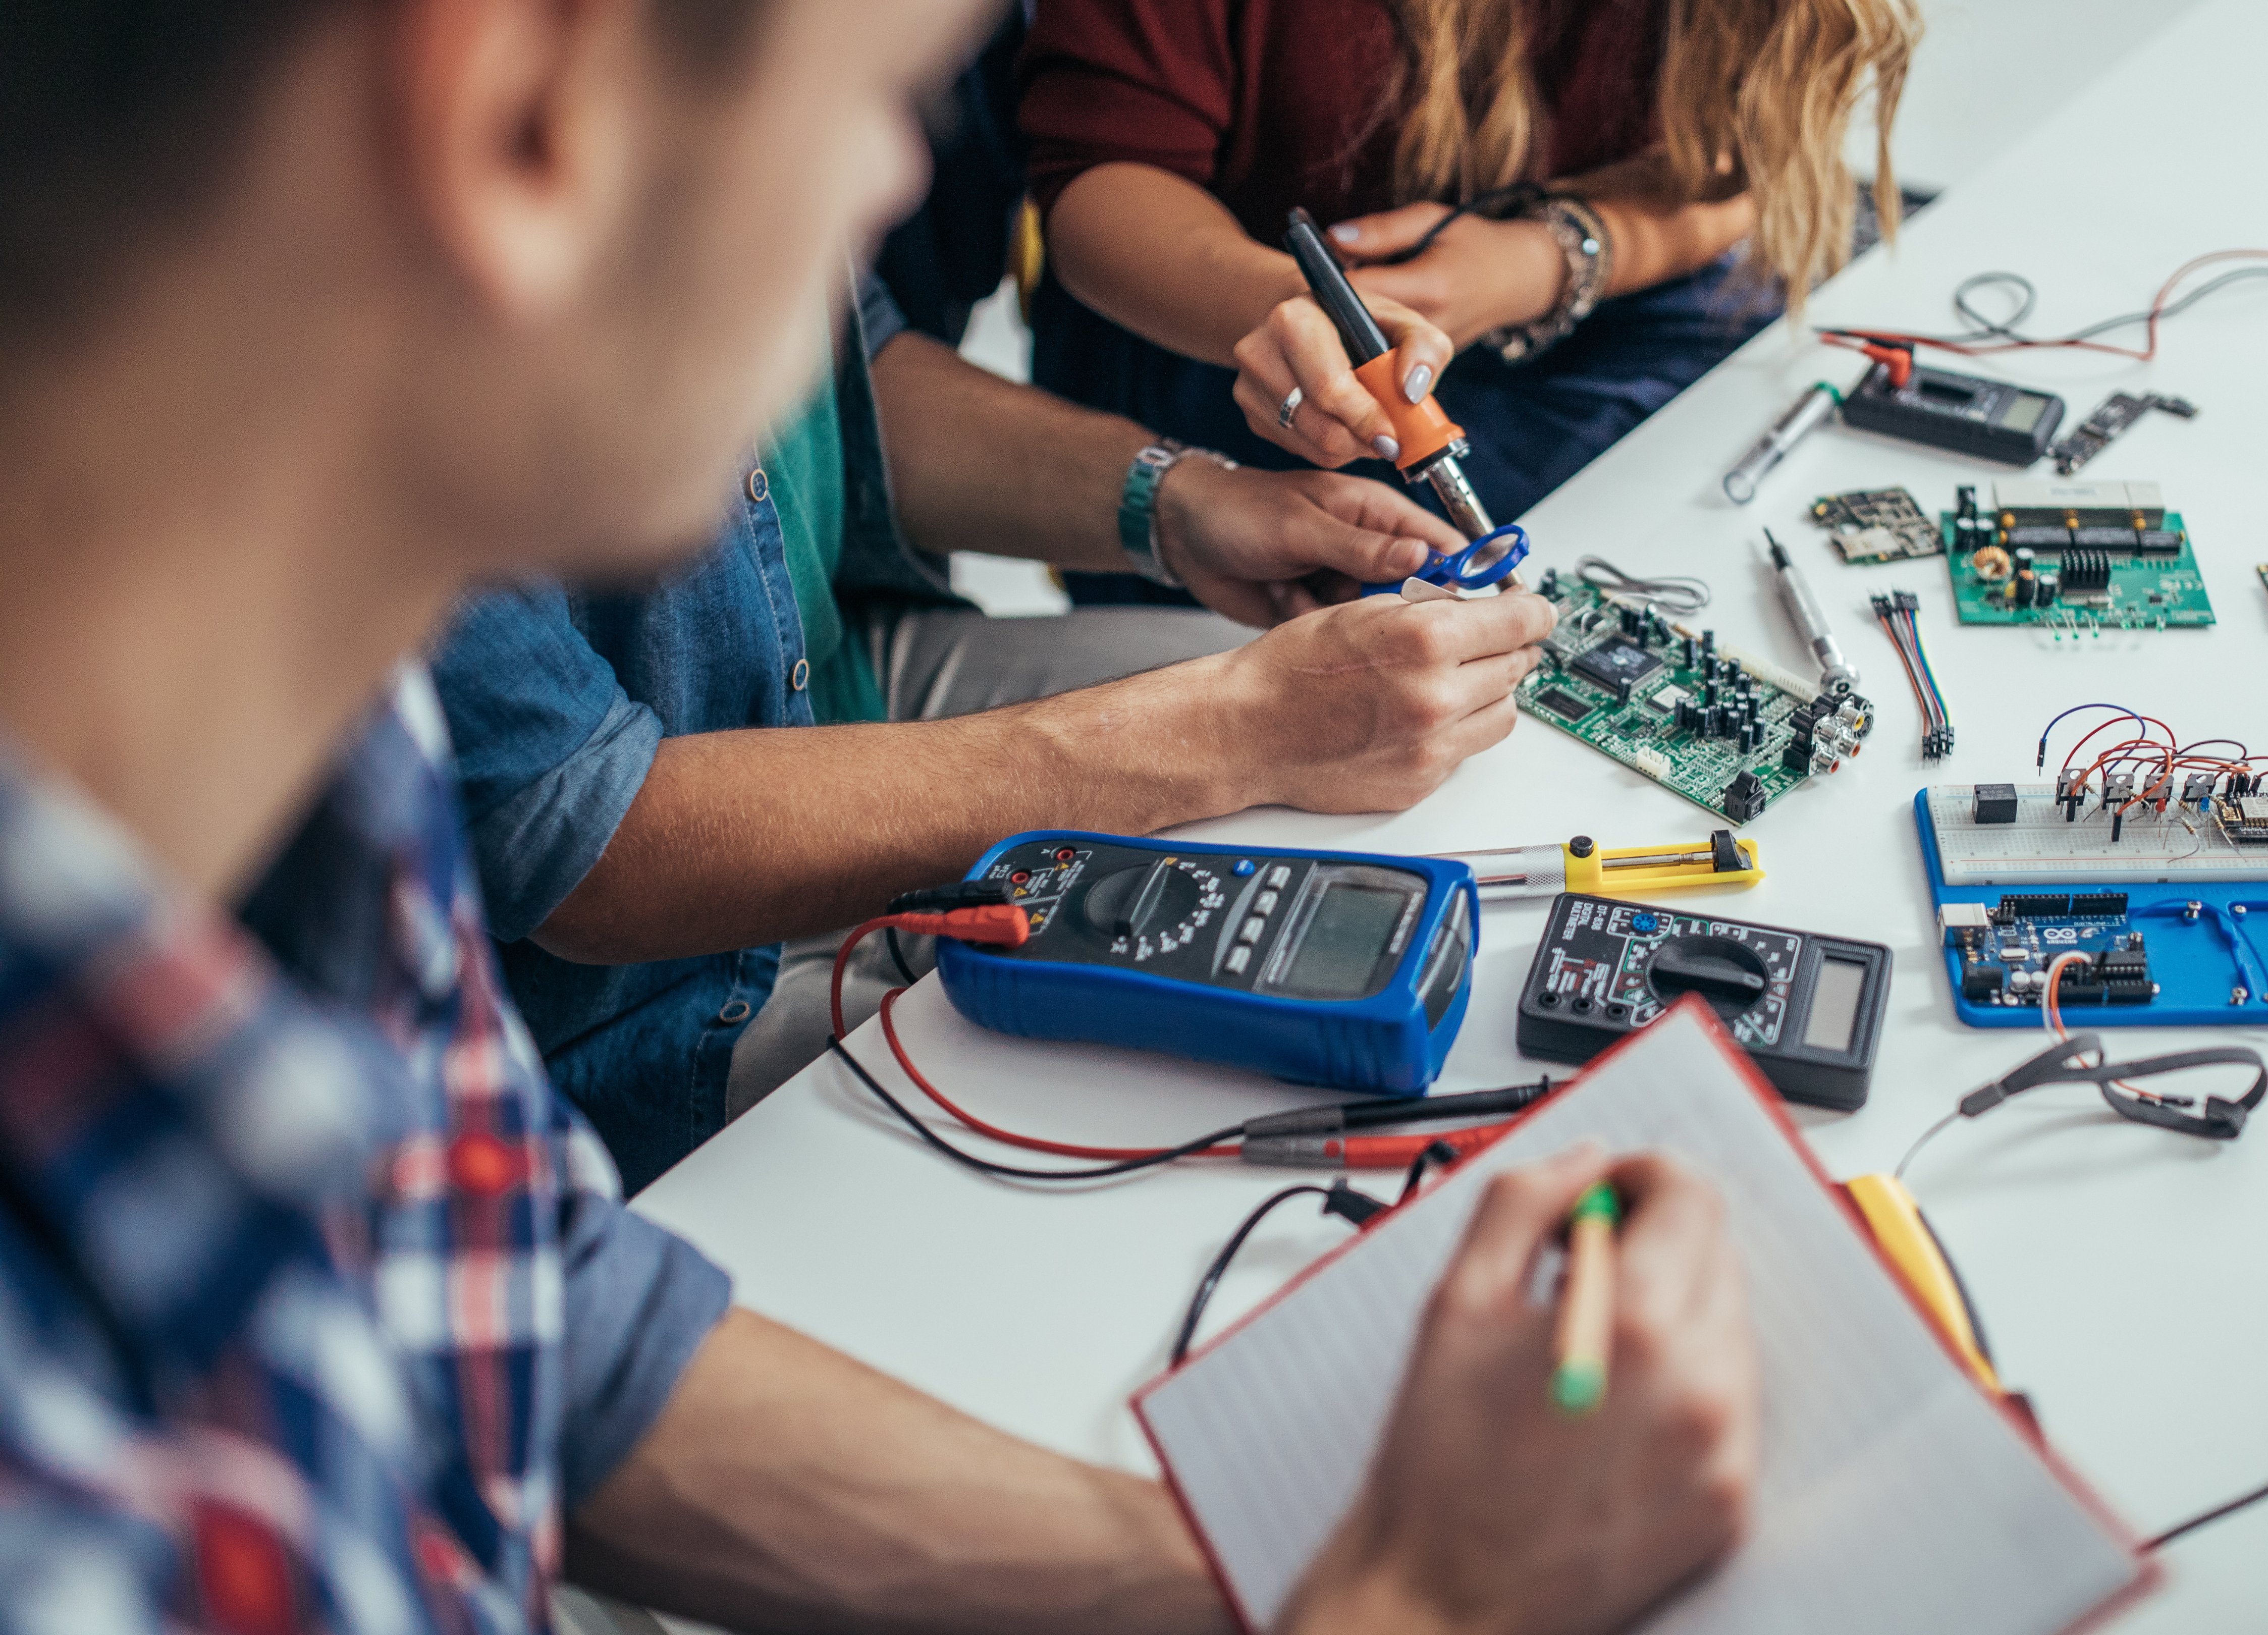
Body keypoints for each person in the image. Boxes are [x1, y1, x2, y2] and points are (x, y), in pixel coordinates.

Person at [0, 5, 1758, 1634]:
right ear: (527, 126)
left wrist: (1265, 1574)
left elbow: (538, 1328)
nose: (902, 183)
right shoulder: (84, 1533)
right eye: (865, 103)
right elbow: (591, 861)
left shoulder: (331, 752)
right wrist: (1426, 1608)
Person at [432, 261, 1553, 1188]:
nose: (905, 168)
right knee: (1214, 1150)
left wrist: (1177, 502)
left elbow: (851, 366)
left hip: (856, 678)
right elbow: (581, 843)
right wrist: (1229, 727)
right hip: (646, 999)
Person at [1017, 0, 1922, 587]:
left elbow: (1741, 171)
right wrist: (1275, 306)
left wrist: (1545, 262)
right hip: (1237, 361)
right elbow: (1097, 188)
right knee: (1384, 606)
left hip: (1602, 308)